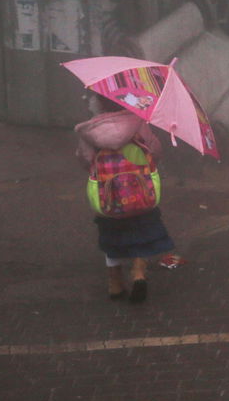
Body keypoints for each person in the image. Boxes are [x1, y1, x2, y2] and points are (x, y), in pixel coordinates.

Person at [74, 95, 177, 302]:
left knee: (111, 234)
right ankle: (138, 273)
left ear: (99, 104)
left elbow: (85, 159)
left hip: (108, 194)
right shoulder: (138, 122)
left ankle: (115, 283)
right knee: (142, 230)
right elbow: (155, 151)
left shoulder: (89, 130)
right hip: (140, 190)